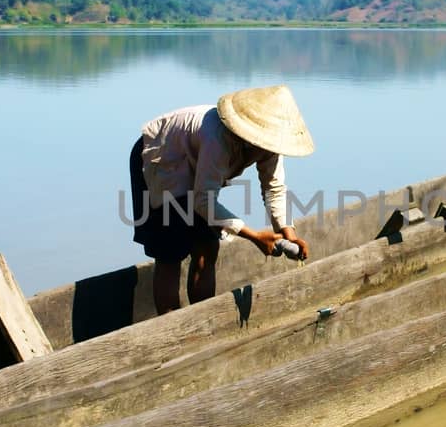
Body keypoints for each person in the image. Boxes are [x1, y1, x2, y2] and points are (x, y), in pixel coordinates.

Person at [129, 84, 315, 314]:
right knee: (170, 252)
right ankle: (169, 326)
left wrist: (289, 235)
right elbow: (204, 201)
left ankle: (203, 319)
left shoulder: (270, 144)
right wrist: (255, 236)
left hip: (196, 171)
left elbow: (274, 189)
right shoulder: (217, 137)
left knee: (208, 246)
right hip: (160, 159)